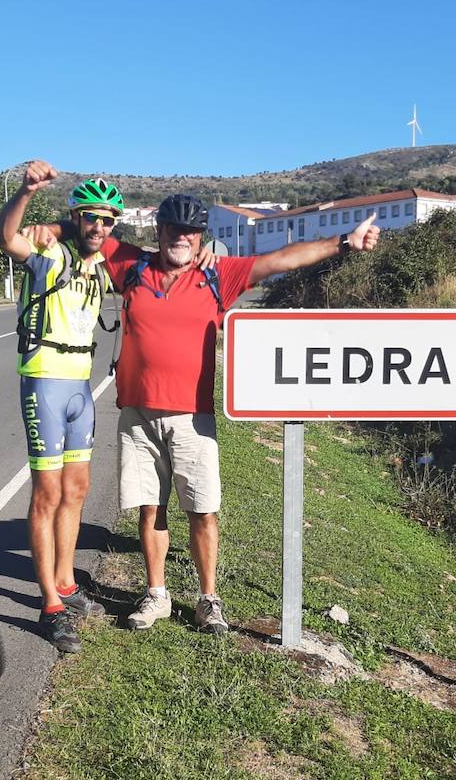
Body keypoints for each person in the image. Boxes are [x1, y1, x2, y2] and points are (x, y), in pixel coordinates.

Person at [42, 191, 380, 634]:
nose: (181, 238)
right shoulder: (134, 266)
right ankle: (157, 594)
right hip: (138, 416)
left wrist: (342, 243)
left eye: (191, 231)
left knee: (202, 510)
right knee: (150, 509)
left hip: (192, 418)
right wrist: (49, 228)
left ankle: (208, 598)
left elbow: (280, 259)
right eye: (173, 229)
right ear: (158, 232)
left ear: (201, 236)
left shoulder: (221, 274)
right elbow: (91, 233)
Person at [0, 160, 121, 653]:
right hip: (45, 381)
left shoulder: (101, 266)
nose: (99, 227)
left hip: (80, 388)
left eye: (108, 220)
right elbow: (7, 237)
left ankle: (66, 581)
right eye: (91, 217)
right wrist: (25, 194)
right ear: (77, 217)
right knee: (46, 493)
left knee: (77, 488)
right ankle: (49, 604)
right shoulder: (50, 253)